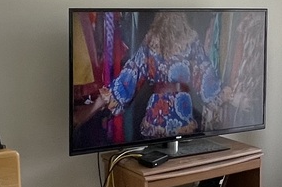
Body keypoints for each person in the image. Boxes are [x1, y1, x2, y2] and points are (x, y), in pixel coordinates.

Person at [74, 12, 222, 139]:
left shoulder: (179, 39)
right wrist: (231, 97)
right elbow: (204, 73)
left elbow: (132, 73)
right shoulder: (180, 39)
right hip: (173, 111)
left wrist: (94, 106)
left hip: (167, 112)